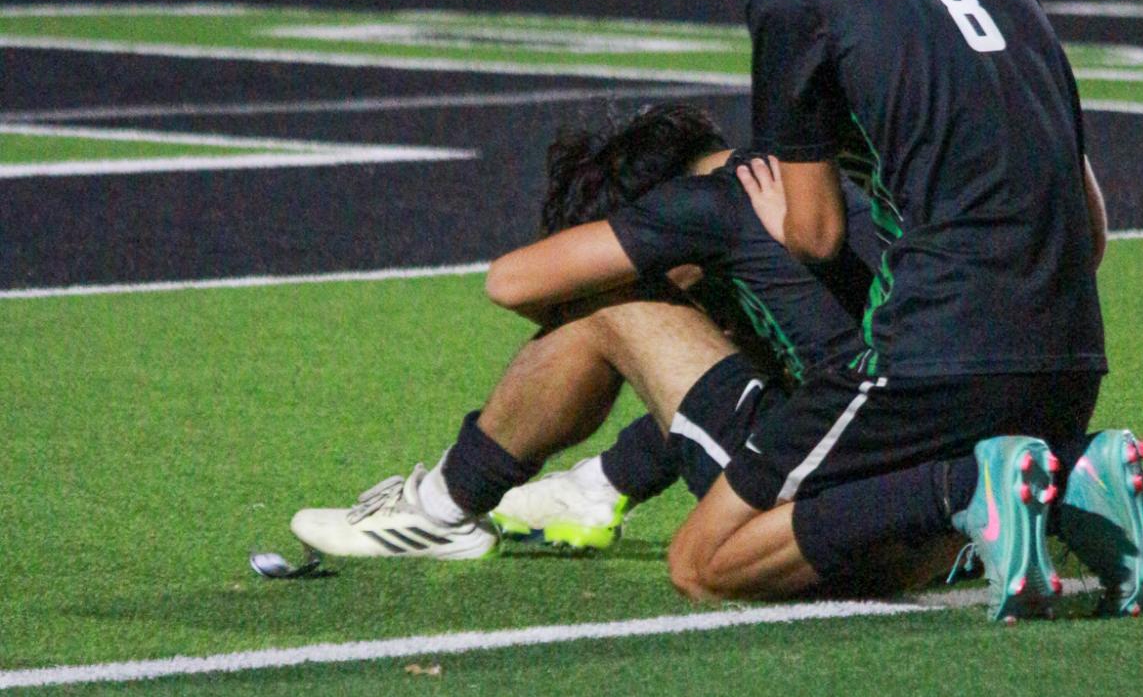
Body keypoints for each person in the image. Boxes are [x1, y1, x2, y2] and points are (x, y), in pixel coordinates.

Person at [659, 0, 1143, 621]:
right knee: (880, 547)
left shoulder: (793, 4)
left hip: (938, 356)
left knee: (702, 560)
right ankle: (1074, 473)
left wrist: (768, 219)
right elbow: (1091, 228)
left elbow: (819, 235)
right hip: (1071, 362)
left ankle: (969, 483)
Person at [290, 102, 948, 593]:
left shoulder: (702, 204)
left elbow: (509, 280)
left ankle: (438, 508)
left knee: (614, 311)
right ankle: (594, 486)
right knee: (733, 351)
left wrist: (632, 280)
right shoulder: (815, 183)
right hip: (929, 456)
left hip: (840, 491)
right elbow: (720, 396)